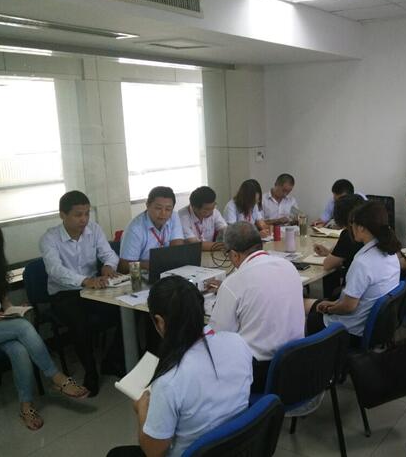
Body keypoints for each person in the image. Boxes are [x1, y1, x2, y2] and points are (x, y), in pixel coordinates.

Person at [0, 218, 88, 431]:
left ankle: (26, 406)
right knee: (22, 328)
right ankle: (56, 377)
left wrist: (13, 309)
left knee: (19, 349)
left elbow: (2, 299)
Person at [106, 276, 253, 457]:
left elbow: (153, 451)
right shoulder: (238, 343)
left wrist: (141, 410)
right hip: (235, 447)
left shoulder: (169, 381)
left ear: (160, 322)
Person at [40, 190, 124, 396]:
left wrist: (108, 266)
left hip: (93, 288)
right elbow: (55, 270)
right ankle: (90, 372)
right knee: (80, 322)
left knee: (125, 310)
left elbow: (109, 254)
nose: (84, 219)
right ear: (63, 215)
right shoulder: (49, 238)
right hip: (64, 293)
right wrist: (85, 280)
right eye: (78, 214)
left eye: (87, 213)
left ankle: (112, 360)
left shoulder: (94, 229)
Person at [209, 222, 305, 392]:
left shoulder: (233, 284)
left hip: (259, 372)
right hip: (295, 361)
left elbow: (219, 337)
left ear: (234, 255)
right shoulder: (288, 266)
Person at [305, 201, 401, 346]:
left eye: (353, 224)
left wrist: (330, 308)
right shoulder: (390, 253)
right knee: (315, 304)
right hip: (376, 328)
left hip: (352, 331)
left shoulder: (363, 262)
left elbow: (348, 307)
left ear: (361, 227)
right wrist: (334, 303)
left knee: (307, 313)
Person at [119, 186, 185, 274]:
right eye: (158, 208)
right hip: (144, 274)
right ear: (147, 205)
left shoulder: (174, 216)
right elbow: (123, 266)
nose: (163, 213)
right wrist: (150, 265)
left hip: (167, 271)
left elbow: (177, 250)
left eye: (168, 209)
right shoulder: (135, 228)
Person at [177, 186, 227, 251]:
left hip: (211, 251)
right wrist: (226, 245)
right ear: (194, 208)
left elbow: (226, 230)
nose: (211, 212)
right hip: (192, 252)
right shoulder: (182, 217)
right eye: (207, 210)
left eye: (213, 206)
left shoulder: (213, 211)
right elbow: (195, 244)